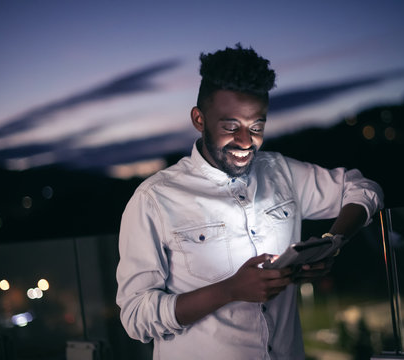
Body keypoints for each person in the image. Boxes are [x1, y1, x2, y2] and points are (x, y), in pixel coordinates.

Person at [116, 44, 384, 359]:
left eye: (256, 127)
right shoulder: (154, 199)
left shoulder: (280, 172)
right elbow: (135, 317)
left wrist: (330, 244)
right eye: (231, 127)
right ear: (199, 119)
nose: (246, 142)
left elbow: (363, 189)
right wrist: (229, 291)